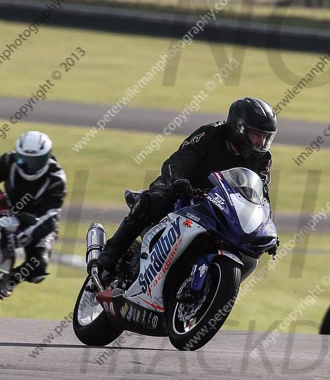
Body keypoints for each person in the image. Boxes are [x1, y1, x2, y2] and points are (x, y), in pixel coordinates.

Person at [98, 97, 278, 279]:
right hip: (183, 189)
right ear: (238, 128)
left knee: (249, 256)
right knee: (155, 200)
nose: (260, 143)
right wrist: (177, 180)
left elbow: (261, 195)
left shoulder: (262, 159)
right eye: (256, 135)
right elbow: (179, 159)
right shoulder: (211, 134)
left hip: (221, 206)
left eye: (265, 137)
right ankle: (108, 258)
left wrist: (264, 229)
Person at [0, 131, 67, 298]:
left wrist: (24, 235)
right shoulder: (8, 161)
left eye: (36, 161)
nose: (30, 166)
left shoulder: (56, 179)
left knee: (38, 267)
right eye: (25, 159)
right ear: (17, 154)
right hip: (8, 209)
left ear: (47, 157)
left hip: (37, 221)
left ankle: (8, 281)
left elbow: (50, 216)